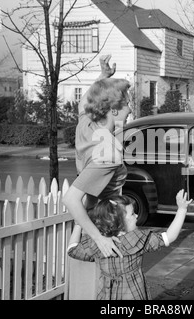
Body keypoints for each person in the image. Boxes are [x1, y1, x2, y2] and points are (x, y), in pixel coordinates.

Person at [62, 55, 131, 258]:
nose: (129, 108)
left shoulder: (86, 123)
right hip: (106, 229)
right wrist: (100, 238)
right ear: (112, 109)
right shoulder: (107, 153)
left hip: (91, 223)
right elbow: (71, 199)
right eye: (126, 103)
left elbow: (86, 102)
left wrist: (104, 77)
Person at [67, 189, 192, 300]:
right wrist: (182, 209)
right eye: (132, 214)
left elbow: (72, 249)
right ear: (119, 223)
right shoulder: (137, 239)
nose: (136, 216)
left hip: (106, 295)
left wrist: (79, 224)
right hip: (133, 294)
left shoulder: (98, 243)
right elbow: (169, 236)